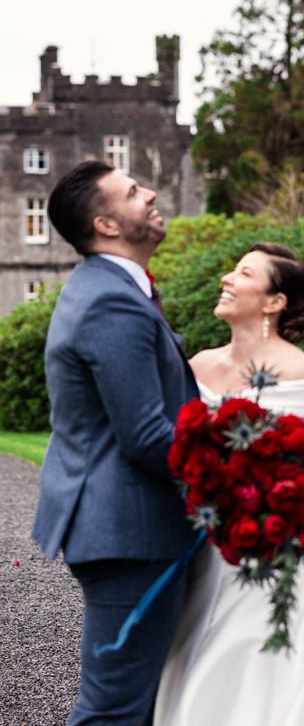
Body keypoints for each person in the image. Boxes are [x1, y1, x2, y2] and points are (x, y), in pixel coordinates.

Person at [154, 242, 304, 726]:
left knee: (258, 661)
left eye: (242, 272)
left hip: (265, 548)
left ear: (273, 302)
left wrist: (257, 508)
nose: (226, 278)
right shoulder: (197, 365)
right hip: (195, 546)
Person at [32, 161, 199, 726]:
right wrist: (246, 465)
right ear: (105, 224)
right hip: (130, 531)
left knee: (141, 703)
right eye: (133, 192)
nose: (151, 192)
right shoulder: (110, 298)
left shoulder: (115, 289)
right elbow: (147, 435)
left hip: (130, 527)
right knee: (114, 712)